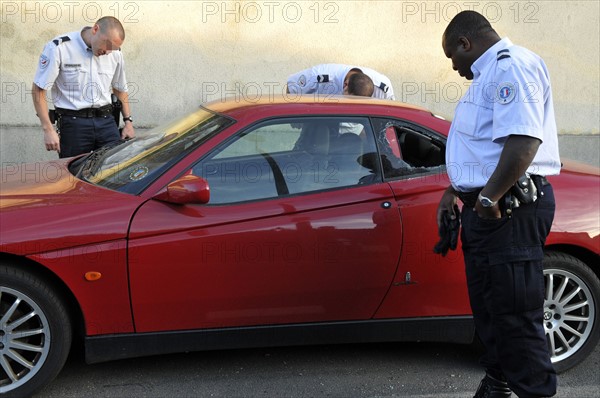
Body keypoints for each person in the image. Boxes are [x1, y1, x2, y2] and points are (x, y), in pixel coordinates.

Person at [436, 11, 561, 398]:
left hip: (509, 210)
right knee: (491, 315)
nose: (454, 68)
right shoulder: (488, 76)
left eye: (451, 57)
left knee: (516, 318)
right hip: (489, 211)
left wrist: (488, 198)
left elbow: (524, 142)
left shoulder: (512, 67)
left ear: (465, 44)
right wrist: (455, 191)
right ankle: (499, 384)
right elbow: (482, 149)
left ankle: (532, 392)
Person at [32, 16, 135, 158]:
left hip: (107, 122)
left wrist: (128, 121)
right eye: (107, 44)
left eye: (114, 48)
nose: (108, 51)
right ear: (95, 29)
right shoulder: (60, 47)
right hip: (74, 126)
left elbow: (120, 88)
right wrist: (48, 129)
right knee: (73, 176)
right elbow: (38, 90)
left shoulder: (115, 53)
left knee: (115, 170)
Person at [286, 63, 395, 100]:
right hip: (318, 127)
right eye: (351, 101)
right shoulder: (319, 77)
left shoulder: (383, 88)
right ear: (345, 85)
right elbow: (291, 88)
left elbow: (388, 117)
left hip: (357, 136)